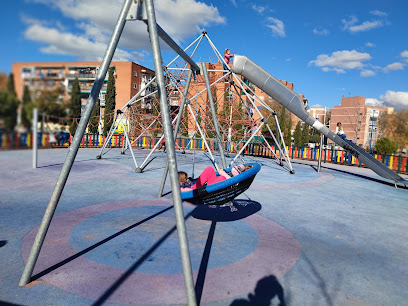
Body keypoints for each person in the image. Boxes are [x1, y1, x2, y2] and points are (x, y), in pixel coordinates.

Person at [179, 164, 252, 192]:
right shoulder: (236, 177)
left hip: (214, 187)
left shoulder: (237, 178)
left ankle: (193, 188)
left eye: (237, 168)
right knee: (210, 170)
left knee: (209, 169)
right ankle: (194, 187)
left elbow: (231, 181)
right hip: (214, 184)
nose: (235, 167)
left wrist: (222, 173)